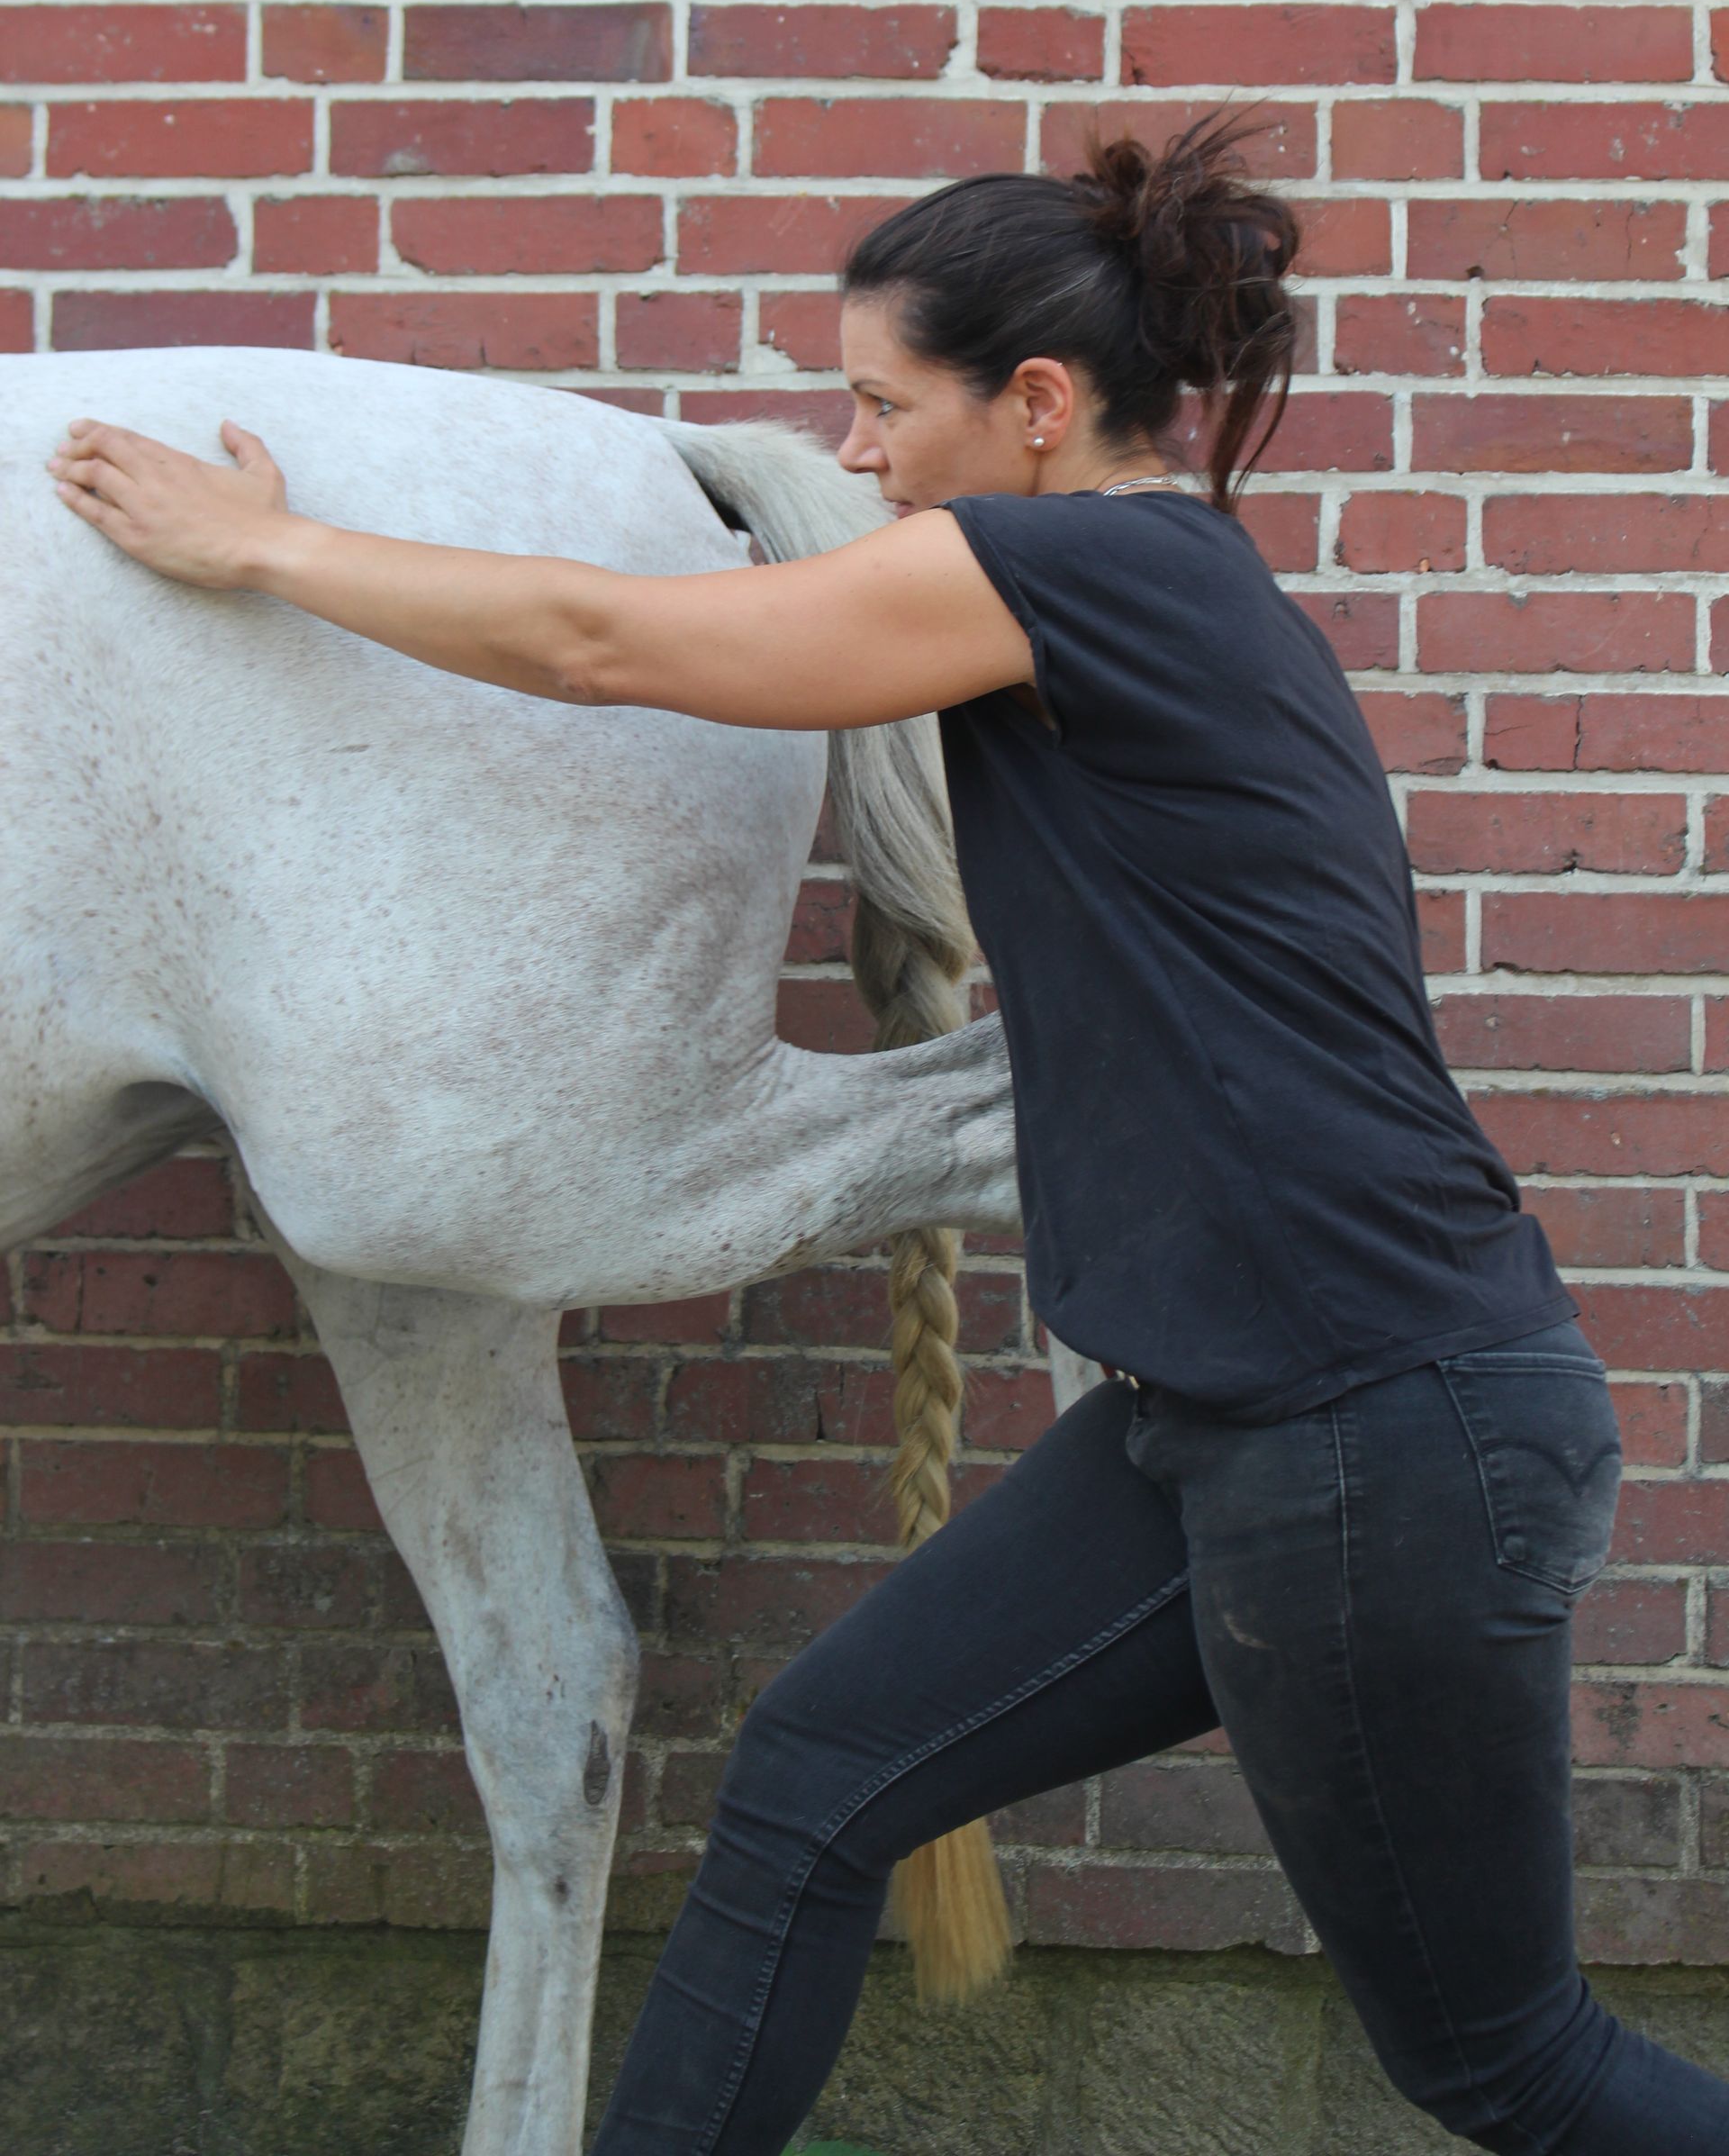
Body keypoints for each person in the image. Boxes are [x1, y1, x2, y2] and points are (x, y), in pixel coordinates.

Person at [47, 118, 1729, 2155]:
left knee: (1507, 2062)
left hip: (1386, 1432)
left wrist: (271, 556)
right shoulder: (1145, 590)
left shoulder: (1086, 565)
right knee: (812, 1780)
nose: (849, 455)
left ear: (1035, 407)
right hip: (1233, 1421)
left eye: (881, 405)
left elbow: (612, 648)